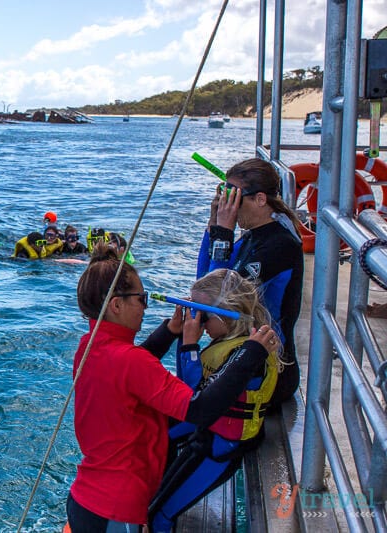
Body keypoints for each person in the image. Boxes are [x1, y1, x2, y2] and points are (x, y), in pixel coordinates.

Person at [66, 241, 279, 532]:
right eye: (141, 299)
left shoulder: (88, 347)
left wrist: (168, 333)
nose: (145, 306)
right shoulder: (132, 361)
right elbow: (200, 410)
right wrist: (251, 353)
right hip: (115, 508)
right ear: (117, 305)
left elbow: (130, 369)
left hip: (86, 497)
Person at [148, 269, 283, 532]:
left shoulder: (248, 353)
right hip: (206, 434)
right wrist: (181, 338)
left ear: (228, 312)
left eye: (203, 315)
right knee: (155, 432)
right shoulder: (229, 342)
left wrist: (189, 344)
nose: (199, 322)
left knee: (159, 517)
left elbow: (193, 398)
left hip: (220, 448)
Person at [196, 158, 303, 406]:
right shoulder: (251, 238)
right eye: (225, 195)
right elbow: (203, 286)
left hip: (271, 370)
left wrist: (224, 231)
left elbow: (218, 302)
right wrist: (213, 226)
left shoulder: (280, 245)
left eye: (234, 197)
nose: (229, 205)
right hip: (243, 358)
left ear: (260, 199)